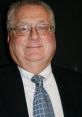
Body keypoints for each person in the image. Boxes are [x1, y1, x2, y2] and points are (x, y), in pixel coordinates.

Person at [0, 0, 82, 117]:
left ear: (53, 34)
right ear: (9, 37)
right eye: (23, 28)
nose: (34, 36)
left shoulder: (78, 84)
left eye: (43, 27)